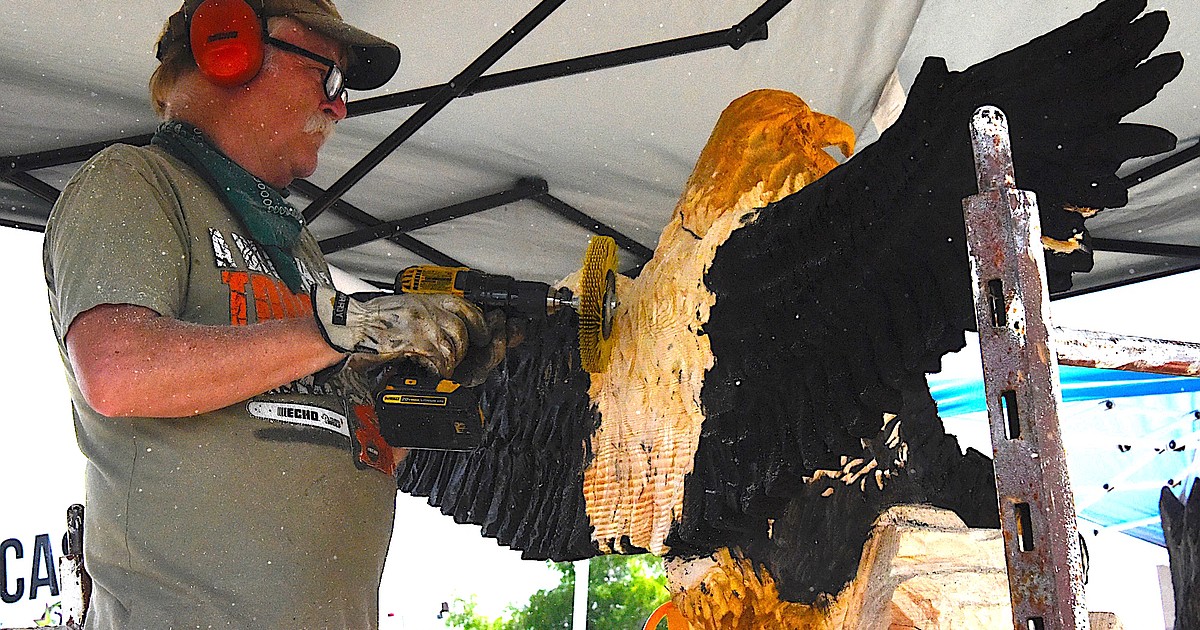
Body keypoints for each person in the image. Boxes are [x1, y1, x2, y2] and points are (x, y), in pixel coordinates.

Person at [42, 1, 504, 627]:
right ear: (227, 47)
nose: (339, 107)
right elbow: (118, 370)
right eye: (329, 77)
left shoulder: (296, 246)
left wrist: (417, 390)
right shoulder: (136, 183)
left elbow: (327, 438)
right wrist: (347, 327)